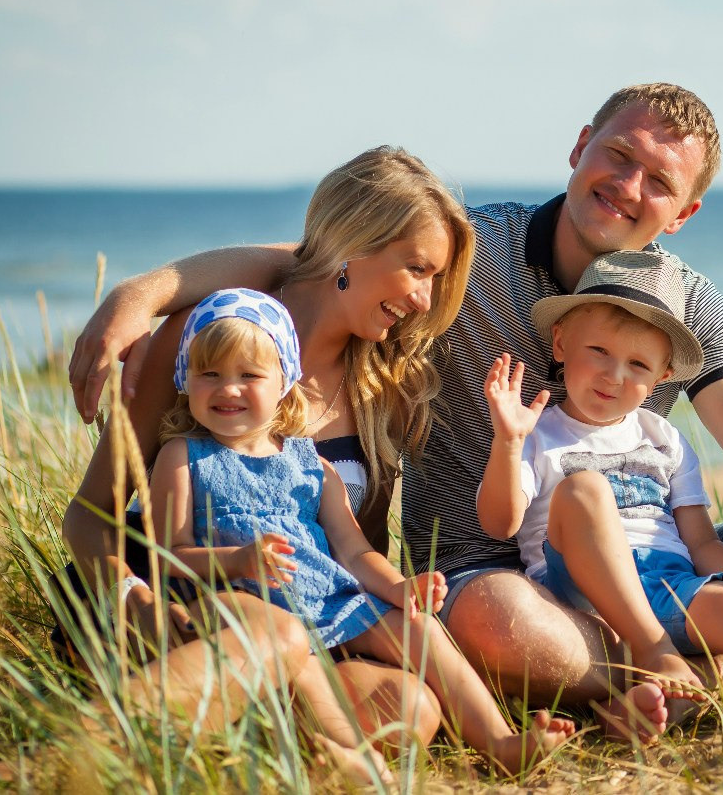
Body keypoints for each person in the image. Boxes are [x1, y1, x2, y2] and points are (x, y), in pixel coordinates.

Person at [66, 84, 723, 738]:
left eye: (659, 182)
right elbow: (328, 259)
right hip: (494, 581)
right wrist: (147, 293)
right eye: (617, 154)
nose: (628, 185)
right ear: (579, 148)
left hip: (650, 573)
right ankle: (709, 669)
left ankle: (683, 669)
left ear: (685, 212)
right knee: (491, 621)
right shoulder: (469, 259)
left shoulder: (686, 308)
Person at [59, 146, 480, 762]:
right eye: (417, 268)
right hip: (162, 603)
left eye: (435, 278)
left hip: (297, 630)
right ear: (352, 246)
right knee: (272, 635)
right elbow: (88, 517)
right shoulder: (206, 343)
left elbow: (349, 552)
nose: (424, 298)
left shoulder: (382, 383)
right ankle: (75, 755)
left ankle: (244, 747)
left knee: (406, 707)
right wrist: (134, 600)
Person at [478, 251, 723, 755]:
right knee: (584, 490)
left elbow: (698, 539)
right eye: (598, 351)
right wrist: (507, 443)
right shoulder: (537, 433)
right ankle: (657, 655)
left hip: (669, 578)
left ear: (665, 375)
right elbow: (499, 522)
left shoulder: (664, 440)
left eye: (638, 364)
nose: (614, 375)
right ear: (561, 342)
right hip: (581, 587)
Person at [153, 288, 574, 773]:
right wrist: (237, 560)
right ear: (187, 380)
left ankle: (500, 742)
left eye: (249, 375)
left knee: (419, 628)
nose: (228, 389)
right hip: (245, 607)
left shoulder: (308, 462)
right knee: (297, 664)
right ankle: (348, 755)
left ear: (285, 382)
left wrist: (400, 587)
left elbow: (352, 553)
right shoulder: (183, 456)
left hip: (331, 600)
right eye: (210, 375)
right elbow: (169, 554)